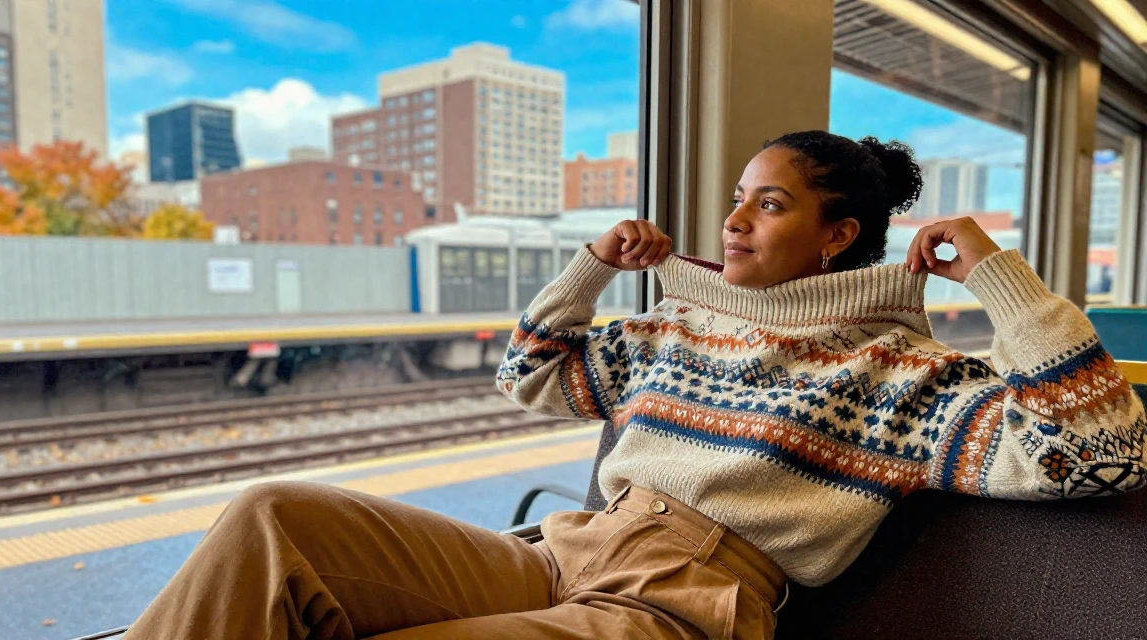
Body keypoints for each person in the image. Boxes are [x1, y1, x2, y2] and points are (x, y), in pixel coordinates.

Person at [125, 131, 1145, 640]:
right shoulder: (678, 323)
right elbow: (527, 375)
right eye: (738, 199)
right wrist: (592, 269)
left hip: (682, 603)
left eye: (770, 204)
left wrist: (996, 273)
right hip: (564, 552)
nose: (735, 220)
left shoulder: (908, 375)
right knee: (271, 520)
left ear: (838, 235)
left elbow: (1098, 455)